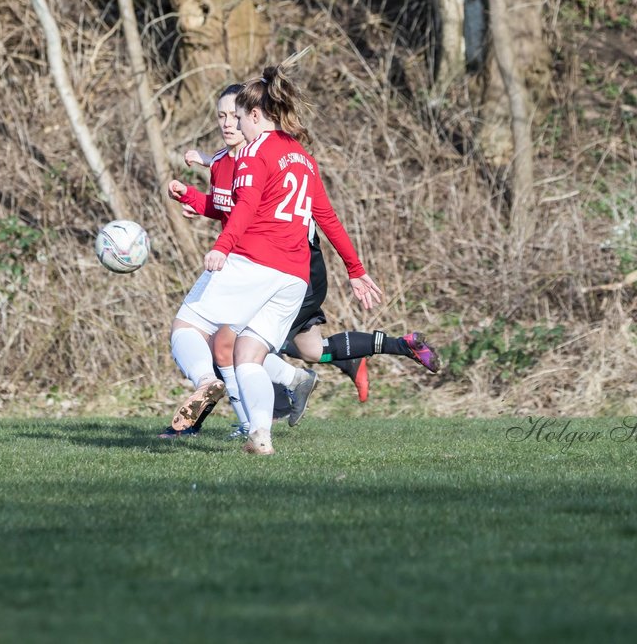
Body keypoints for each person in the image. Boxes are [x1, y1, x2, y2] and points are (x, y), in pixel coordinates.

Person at [159, 85, 439, 439]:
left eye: (237, 116)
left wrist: (223, 246)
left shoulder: (254, 154)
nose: (230, 124)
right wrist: (196, 200)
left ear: (255, 116)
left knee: (220, 340)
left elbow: (246, 210)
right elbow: (233, 207)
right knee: (306, 349)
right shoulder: (287, 156)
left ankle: (229, 409)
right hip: (293, 270)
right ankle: (276, 409)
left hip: (272, 262)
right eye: (223, 116)